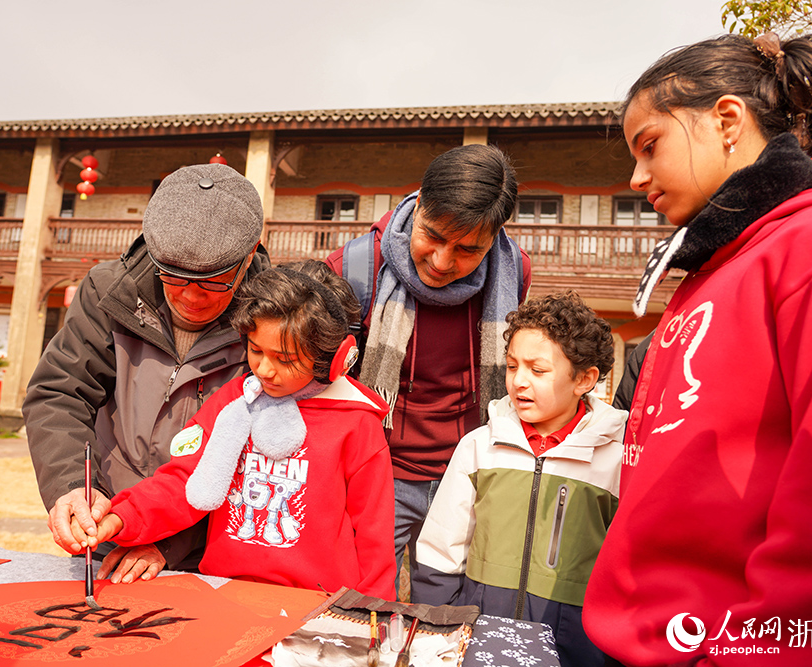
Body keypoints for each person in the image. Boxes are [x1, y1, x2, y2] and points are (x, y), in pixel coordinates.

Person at [582, 33, 812, 665]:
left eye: (650, 145)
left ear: (727, 120)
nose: (637, 177)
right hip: (649, 639)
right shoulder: (713, 269)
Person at [62, 262, 397, 599]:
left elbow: (374, 532)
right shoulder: (232, 401)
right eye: (256, 351)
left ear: (331, 360)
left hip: (316, 602)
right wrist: (120, 518)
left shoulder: (358, 424)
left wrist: (374, 609)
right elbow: (181, 482)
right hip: (222, 591)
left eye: (285, 359)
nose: (264, 370)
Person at [23, 163, 270, 584]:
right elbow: (59, 393)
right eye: (174, 276)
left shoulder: (276, 317)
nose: (191, 296)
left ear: (248, 257)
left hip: (213, 543)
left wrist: (170, 541)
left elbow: (265, 458)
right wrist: (72, 485)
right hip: (110, 518)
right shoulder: (108, 291)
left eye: (213, 281)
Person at [325, 143, 531, 601]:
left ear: (495, 237)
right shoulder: (354, 269)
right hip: (376, 475)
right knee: (357, 604)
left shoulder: (513, 272)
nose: (441, 261)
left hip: (469, 476)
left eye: (467, 249)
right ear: (419, 204)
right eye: (433, 236)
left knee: (449, 612)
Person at [414, 291, 624, 667]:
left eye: (537, 370)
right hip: (478, 637)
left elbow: (627, 565)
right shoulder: (479, 447)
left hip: (575, 647)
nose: (519, 381)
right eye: (512, 366)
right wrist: (438, 630)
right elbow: (440, 551)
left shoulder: (615, 461)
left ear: (584, 379)